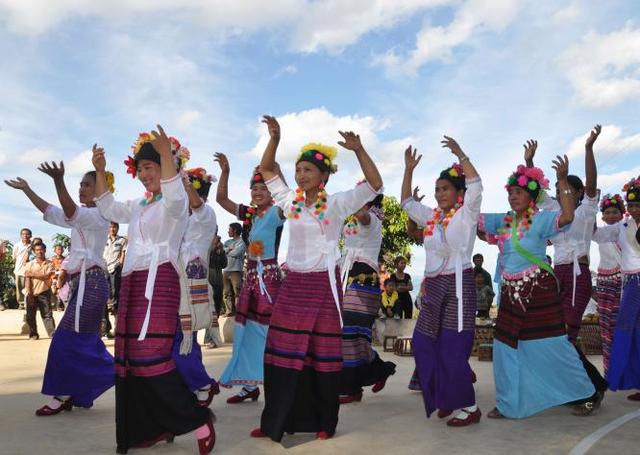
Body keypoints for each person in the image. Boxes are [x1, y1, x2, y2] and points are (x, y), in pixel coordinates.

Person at [251, 115, 383, 441]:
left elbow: (375, 184)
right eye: (298, 169)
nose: (301, 175)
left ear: (323, 175)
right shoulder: (290, 201)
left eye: (308, 170)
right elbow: (267, 169)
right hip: (292, 286)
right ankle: (276, 421)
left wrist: (359, 149)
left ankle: (325, 423)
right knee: (281, 351)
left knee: (322, 355)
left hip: (324, 286)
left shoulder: (337, 204)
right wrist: (275, 139)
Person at [92, 129, 214, 454]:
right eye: (141, 168)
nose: (145, 174)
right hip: (132, 283)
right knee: (129, 359)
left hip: (160, 281)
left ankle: (197, 421)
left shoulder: (175, 204)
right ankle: (148, 430)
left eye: (151, 166)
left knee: (151, 357)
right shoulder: (138, 205)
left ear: (168, 166)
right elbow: (106, 207)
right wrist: (101, 171)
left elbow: (176, 195)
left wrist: (166, 156)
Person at [479, 153, 598, 419]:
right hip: (511, 293)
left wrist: (562, 180)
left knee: (553, 345)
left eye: (519, 192)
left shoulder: (543, 218)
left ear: (531, 197)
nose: (513, 196)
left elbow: (567, 215)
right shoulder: (505, 220)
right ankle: (508, 403)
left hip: (539, 289)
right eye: (510, 192)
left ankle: (588, 392)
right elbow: (474, 220)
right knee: (504, 346)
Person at [6, 161, 115, 416]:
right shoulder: (80, 216)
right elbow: (50, 210)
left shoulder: (100, 215)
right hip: (84, 283)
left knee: (65, 340)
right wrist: (27, 190)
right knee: (80, 340)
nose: (81, 189)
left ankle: (114, 372)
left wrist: (58, 180)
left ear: (101, 190)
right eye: (80, 185)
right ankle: (74, 390)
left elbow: (69, 211)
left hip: (91, 282)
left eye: (87, 185)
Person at [401, 136, 482, 427]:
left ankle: (469, 407)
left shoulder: (467, 214)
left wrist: (460, 153)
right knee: (424, 344)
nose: (439, 194)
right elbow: (407, 202)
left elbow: (476, 184)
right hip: (434, 287)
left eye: (445, 188)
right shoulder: (432, 217)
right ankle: (448, 396)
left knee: (452, 348)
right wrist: (408, 169)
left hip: (460, 284)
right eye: (437, 189)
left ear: (459, 192)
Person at [526, 129, 608, 403]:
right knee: (555, 337)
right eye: (561, 191)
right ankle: (588, 386)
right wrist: (529, 163)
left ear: (580, 193)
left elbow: (592, 181)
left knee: (566, 337)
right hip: (555, 276)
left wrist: (588, 149)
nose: (563, 194)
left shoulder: (586, 211)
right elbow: (535, 193)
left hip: (578, 275)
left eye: (568, 191)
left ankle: (590, 391)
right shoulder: (552, 210)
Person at [216, 153, 286, 404]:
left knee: (269, 332)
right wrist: (225, 172)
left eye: (263, 188)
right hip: (250, 280)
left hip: (269, 280)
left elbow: (287, 198)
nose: (258, 192)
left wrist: (275, 170)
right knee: (245, 332)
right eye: (254, 188)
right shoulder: (249, 216)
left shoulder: (278, 213)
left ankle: (276, 382)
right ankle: (248, 386)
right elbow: (221, 199)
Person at [338, 192, 396, 404]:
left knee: (351, 335)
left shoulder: (371, 219)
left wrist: (348, 201)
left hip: (364, 285)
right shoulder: (354, 221)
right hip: (349, 281)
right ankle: (376, 372)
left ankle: (354, 387)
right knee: (352, 337)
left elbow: (360, 214)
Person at [172, 167, 219, 408]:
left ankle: (202, 383)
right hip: (175, 278)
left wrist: (184, 182)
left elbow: (197, 205)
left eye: (186, 189)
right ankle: (194, 382)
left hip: (190, 281)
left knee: (182, 337)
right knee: (179, 337)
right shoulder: (180, 216)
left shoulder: (206, 213)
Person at [591, 177, 640, 402]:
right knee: (627, 331)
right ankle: (628, 378)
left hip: (628, 283)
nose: (634, 209)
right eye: (631, 206)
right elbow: (597, 234)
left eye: (638, 205)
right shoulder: (622, 227)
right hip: (630, 284)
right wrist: (588, 207)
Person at [592, 194, 625, 374]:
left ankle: (626, 370)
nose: (611, 216)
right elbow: (593, 233)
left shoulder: (626, 229)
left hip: (623, 282)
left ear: (622, 214)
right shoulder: (602, 232)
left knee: (624, 326)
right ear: (602, 216)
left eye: (615, 212)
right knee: (606, 327)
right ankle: (610, 370)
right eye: (607, 213)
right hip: (604, 284)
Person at [21, 243, 56, 340]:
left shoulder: (50, 264)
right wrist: (30, 293)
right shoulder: (30, 264)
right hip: (31, 292)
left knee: (47, 314)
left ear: (45, 250)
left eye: (41, 249)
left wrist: (32, 274)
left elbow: (47, 277)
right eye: (37, 250)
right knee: (30, 315)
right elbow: (27, 279)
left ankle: (53, 335)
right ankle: (33, 334)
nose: (39, 252)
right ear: (34, 251)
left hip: (44, 292)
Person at [103, 222, 127, 337]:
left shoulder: (122, 240)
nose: (112, 229)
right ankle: (105, 328)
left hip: (115, 268)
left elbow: (123, 253)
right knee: (104, 296)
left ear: (117, 228)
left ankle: (117, 327)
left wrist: (121, 264)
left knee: (115, 295)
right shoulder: (103, 239)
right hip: (104, 268)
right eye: (110, 227)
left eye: (114, 227)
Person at [204, 233, 226, 348]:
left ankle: (211, 338)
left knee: (216, 310)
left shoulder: (219, 250)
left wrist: (221, 251)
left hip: (218, 282)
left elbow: (224, 264)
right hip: (208, 282)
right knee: (207, 311)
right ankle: (209, 338)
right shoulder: (206, 247)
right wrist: (213, 248)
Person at [222, 222, 246, 315]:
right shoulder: (227, 242)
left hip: (236, 270)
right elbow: (222, 252)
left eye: (229, 229)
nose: (228, 231)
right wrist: (229, 249)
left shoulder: (241, 242)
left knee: (238, 292)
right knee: (226, 293)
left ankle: (239, 312)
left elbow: (236, 253)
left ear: (235, 230)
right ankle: (229, 311)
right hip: (226, 270)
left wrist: (228, 251)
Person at [12, 228, 33, 310]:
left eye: (27, 234)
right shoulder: (17, 245)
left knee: (30, 288)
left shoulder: (32, 245)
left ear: (30, 236)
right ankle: (21, 304)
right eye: (23, 234)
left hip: (30, 271)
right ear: (21, 235)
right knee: (19, 288)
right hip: (19, 270)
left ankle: (30, 304)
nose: (25, 236)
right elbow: (14, 257)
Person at [51, 244, 66, 311]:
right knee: (53, 291)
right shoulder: (52, 259)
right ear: (55, 250)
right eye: (58, 249)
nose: (60, 251)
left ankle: (60, 306)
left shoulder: (65, 259)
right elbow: (50, 269)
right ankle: (53, 306)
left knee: (61, 292)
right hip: (54, 278)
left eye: (61, 249)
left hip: (62, 278)